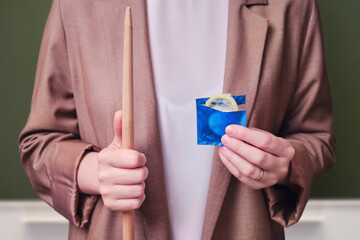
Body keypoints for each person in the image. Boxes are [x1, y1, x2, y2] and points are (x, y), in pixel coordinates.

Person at [18, 0, 335, 239]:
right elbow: (39, 145)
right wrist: (92, 171)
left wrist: (286, 164)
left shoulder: (291, 6)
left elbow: (316, 138)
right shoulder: (77, 6)